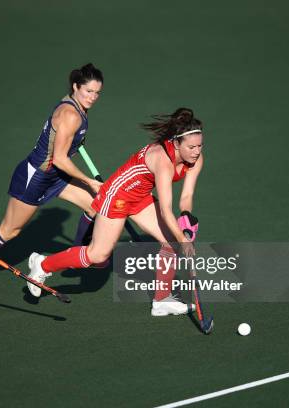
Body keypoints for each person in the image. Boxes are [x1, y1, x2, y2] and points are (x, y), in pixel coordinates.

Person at [26, 107, 204, 316]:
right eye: (191, 147)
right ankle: (43, 264)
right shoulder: (163, 162)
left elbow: (186, 197)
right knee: (97, 254)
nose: (196, 151)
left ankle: (162, 300)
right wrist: (184, 240)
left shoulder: (196, 159)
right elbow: (165, 209)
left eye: (200, 145)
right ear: (176, 143)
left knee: (171, 243)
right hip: (117, 196)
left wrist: (185, 218)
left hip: (141, 197)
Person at [0, 63, 105, 292]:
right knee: (9, 230)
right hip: (36, 177)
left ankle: (78, 254)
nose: (93, 97)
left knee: (95, 205)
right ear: (75, 86)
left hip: (55, 176)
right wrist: (89, 181)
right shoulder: (71, 114)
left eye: (97, 92)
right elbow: (60, 159)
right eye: (88, 91)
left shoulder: (77, 107)